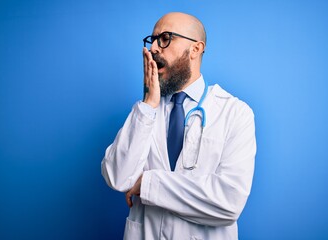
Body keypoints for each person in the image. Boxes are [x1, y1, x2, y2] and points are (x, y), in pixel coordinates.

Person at [101, 12, 256, 240]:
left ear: (196, 49)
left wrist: (147, 183)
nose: (154, 48)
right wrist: (148, 105)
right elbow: (117, 176)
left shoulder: (235, 113)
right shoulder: (146, 112)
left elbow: (228, 202)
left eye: (164, 38)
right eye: (151, 40)